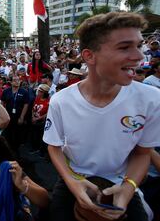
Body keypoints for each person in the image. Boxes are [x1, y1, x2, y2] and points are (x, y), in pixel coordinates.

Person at [43, 12, 160, 221]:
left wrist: (128, 187)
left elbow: (143, 153)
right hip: (74, 177)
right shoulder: (61, 101)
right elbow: (54, 147)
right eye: (125, 47)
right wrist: (72, 182)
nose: (139, 56)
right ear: (89, 56)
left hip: (120, 181)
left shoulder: (152, 99)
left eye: (139, 45)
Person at [0, 75, 29, 150]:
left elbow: (26, 105)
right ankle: (8, 149)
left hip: (18, 116)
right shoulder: (6, 91)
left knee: (17, 134)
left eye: (18, 80)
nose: (17, 82)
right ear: (11, 82)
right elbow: (2, 102)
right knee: (8, 133)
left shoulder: (24, 92)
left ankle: (17, 150)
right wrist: (3, 115)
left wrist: (22, 117)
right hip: (8, 116)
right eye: (15, 80)